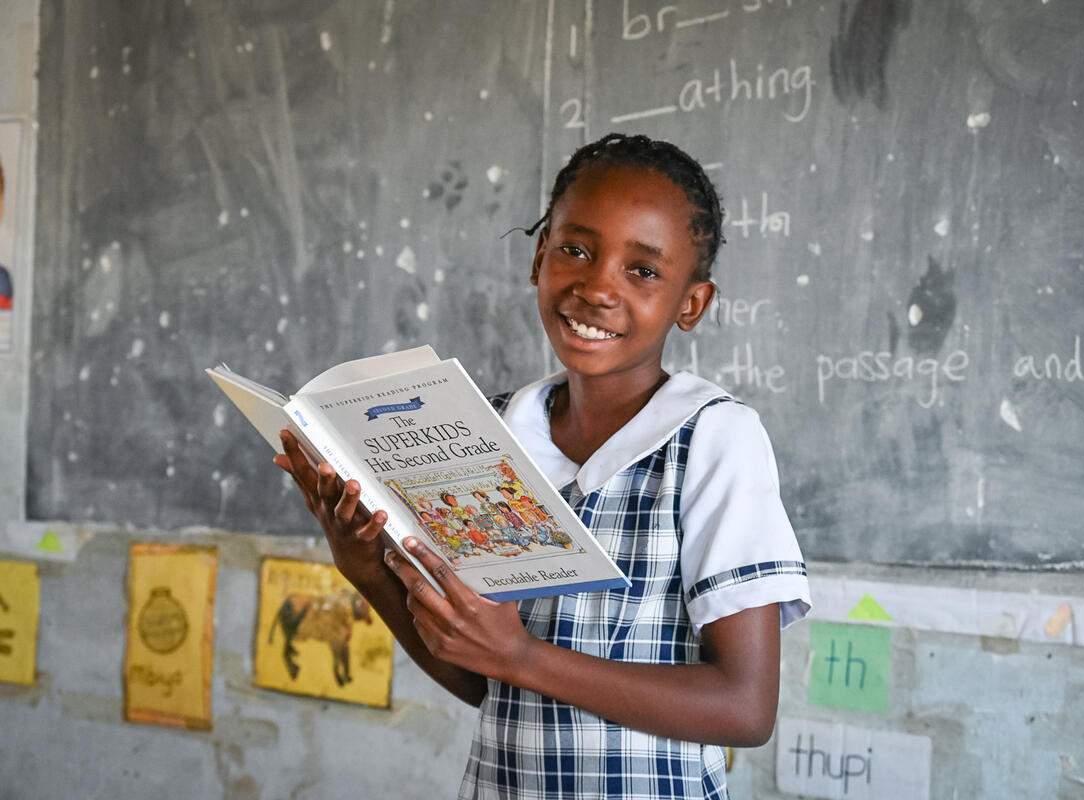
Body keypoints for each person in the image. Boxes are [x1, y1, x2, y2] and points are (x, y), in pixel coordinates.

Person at [275, 133, 811, 799]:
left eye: (642, 271)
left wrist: (523, 656)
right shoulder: (482, 432)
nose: (595, 288)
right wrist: (368, 571)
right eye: (576, 250)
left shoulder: (711, 438)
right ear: (539, 259)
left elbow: (744, 709)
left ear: (692, 304)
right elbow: (486, 680)